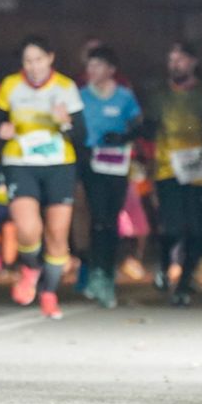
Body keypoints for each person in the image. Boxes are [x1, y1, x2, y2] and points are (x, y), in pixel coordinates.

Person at [0, 36, 86, 320]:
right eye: (28, 61)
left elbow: (82, 135)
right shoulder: (10, 85)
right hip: (21, 162)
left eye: (38, 60)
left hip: (59, 164)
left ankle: (49, 292)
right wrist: (1, 133)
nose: (33, 66)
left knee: (58, 233)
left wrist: (65, 123)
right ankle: (31, 267)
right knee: (27, 228)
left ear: (50, 58)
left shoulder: (65, 87)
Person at [145, 42, 202, 306]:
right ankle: (164, 267)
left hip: (199, 171)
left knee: (196, 231)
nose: (175, 65)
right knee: (171, 228)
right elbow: (149, 126)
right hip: (167, 169)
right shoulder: (159, 95)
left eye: (180, 60)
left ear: (193, 62)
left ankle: (184, 284)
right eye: (171, 60)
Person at [79, 45, 142, 308]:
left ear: (111, 70)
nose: (91, 71)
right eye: (89, 66)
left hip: (116, 164)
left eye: (97, 66)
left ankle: (107, 274)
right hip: (91, 163)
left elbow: (138, 125)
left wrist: (123, 137)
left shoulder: (124, 97)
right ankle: (97, 273)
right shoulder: (80, 95)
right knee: (98, 219)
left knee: (111, 220)